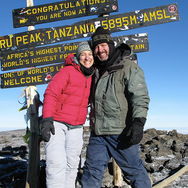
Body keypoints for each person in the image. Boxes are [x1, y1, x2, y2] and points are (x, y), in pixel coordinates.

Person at [81, 27, 151, 188]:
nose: (100, 50)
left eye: (103, 45)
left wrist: (138, 122)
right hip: (98, 133)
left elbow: (140, 96)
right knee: (91, 172)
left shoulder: (128, 67)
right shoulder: (95, 69)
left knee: (134, 171)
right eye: (96, 47)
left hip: (120, 132)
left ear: (111, 45)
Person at [41, 41, 94, 188]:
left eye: (90, 54)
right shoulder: (67, 71)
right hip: (57, 123)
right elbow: (51, 93)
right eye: (83, 54)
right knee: (56, 164)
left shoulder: (92, 76)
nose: (87, 57)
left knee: (72, 164)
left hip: (77, 127)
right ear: (78, 56)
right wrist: (47, 119)